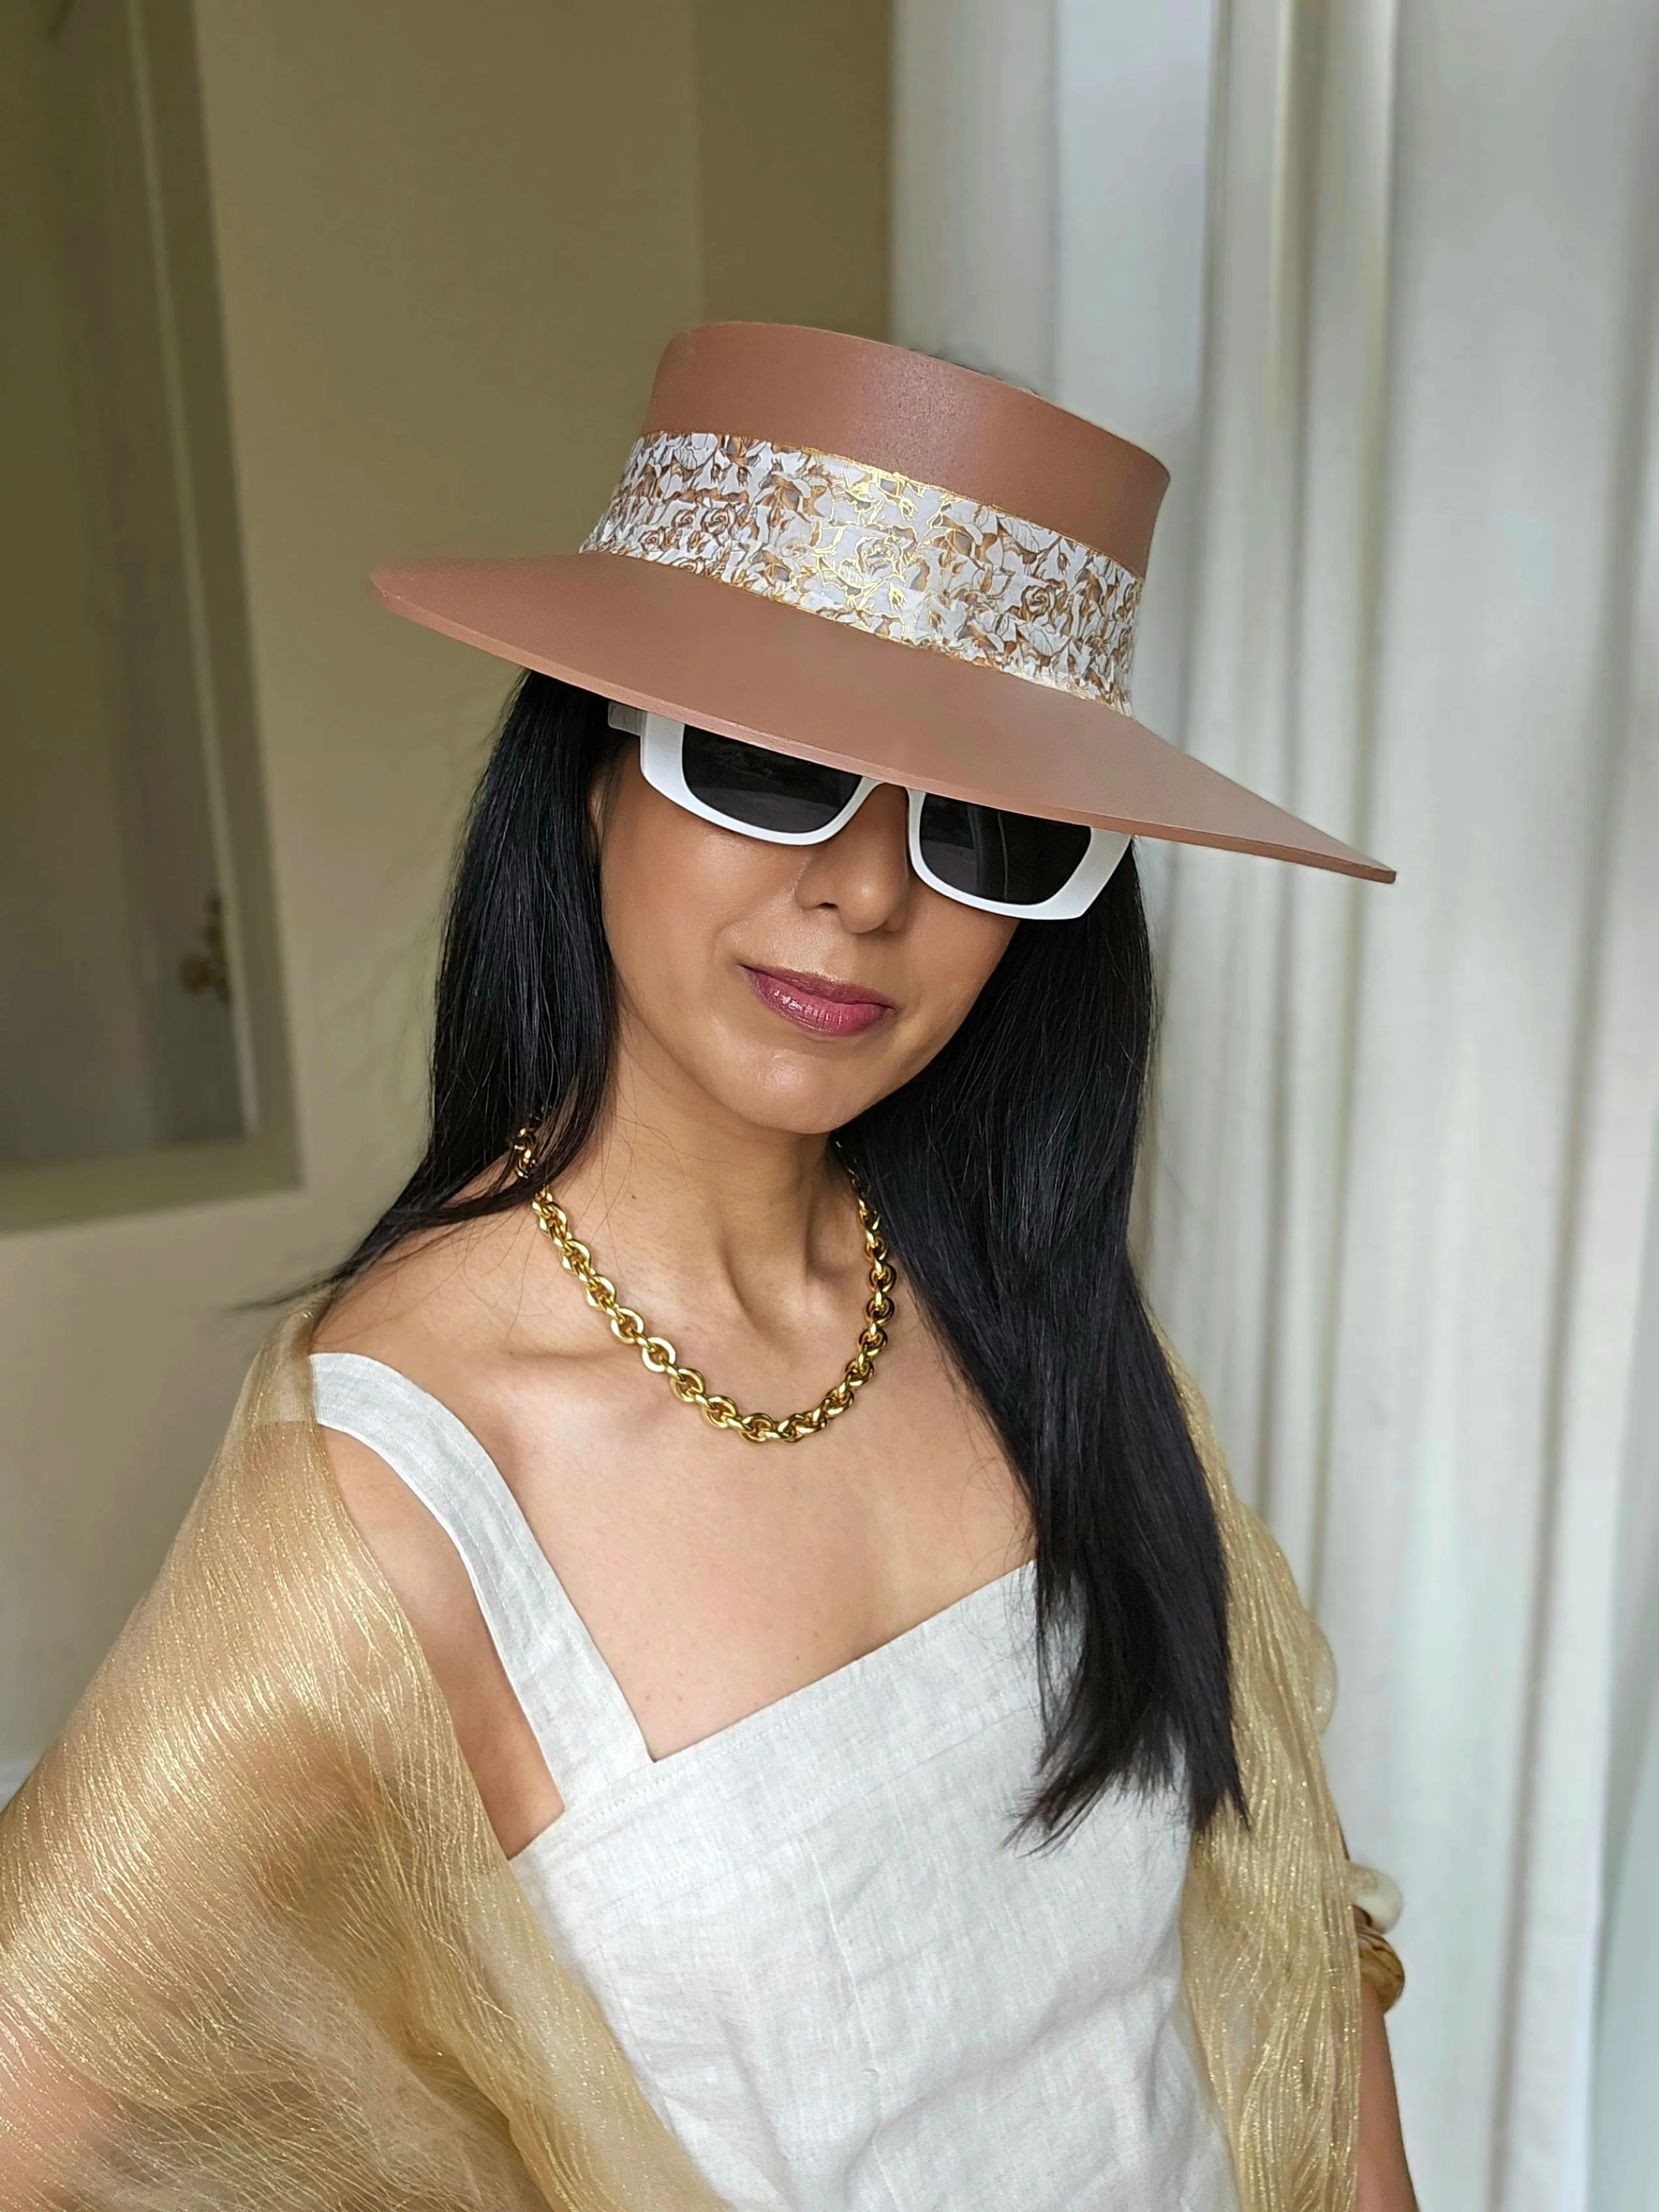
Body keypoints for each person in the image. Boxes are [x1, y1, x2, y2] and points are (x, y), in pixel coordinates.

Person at [0, 323, 1415, 2211]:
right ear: (587, 772)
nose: (869, 889)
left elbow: (1282, 1938)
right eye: (771, 765)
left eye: (987, 828)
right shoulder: (406, 1481)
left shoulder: (1031, 1312)